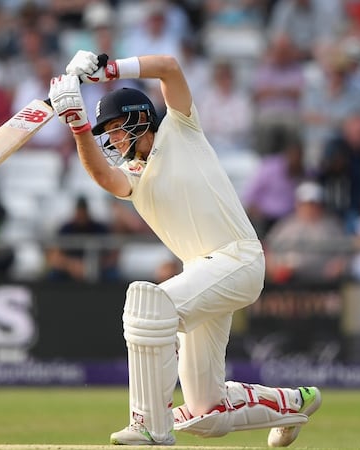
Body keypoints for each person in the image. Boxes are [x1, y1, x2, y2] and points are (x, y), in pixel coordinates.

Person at [48, 50, 321, 446]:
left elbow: (170, 67)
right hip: (204, 273)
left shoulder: (180, 127)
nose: (111, 139)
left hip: (239, 257)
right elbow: (105, 178)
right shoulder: (132, 176)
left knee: (149, 306)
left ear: (137, 117)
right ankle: (294, 402)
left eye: (114, 129)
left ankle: (149, 425)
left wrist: (108, 70)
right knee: (205, 414)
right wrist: (78, 126)